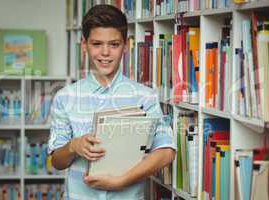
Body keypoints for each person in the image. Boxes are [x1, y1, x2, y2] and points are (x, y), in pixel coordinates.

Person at [48, 4, 176, 200]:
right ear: (84, 45)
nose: (105, 52)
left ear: (125, 46)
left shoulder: (145, 96)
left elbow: (166, 152)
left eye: (114, 44)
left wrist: (121, 181)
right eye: (96, 44)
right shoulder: (65, 97)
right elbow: (57, 162)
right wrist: (74, 146)